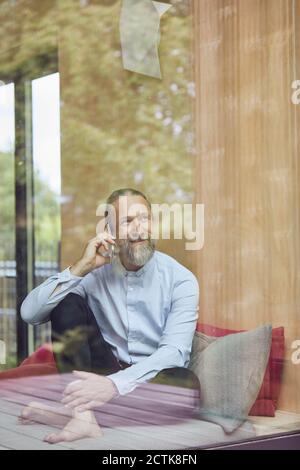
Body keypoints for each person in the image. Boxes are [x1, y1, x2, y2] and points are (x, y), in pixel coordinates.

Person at [20, 188, 200, 444]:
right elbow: (29, 313)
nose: (138, 228)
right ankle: (83, 414)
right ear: (110, 231)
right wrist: (81, 267)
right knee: (66, 302)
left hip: (149, 380)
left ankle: (75, 412)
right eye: (128, 221)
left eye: (144, 218)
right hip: (100, 370)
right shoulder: (94, 274)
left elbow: (174, 353)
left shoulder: (181, 280)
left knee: (186, 384)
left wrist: (113, 385)